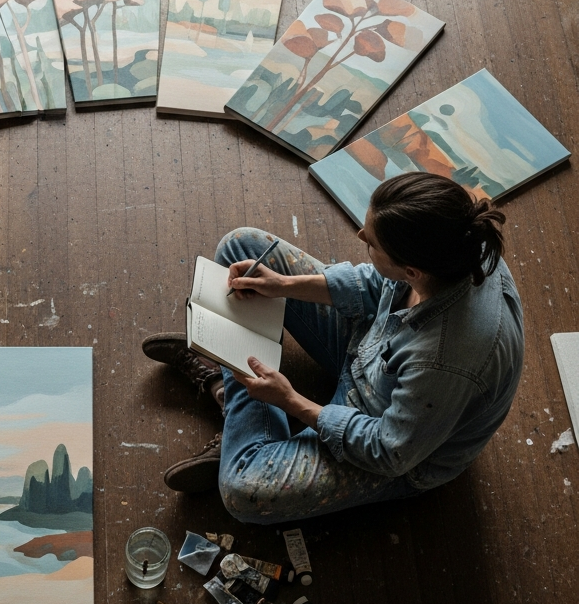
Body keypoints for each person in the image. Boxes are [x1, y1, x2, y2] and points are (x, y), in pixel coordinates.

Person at [142, 173, 524, 524]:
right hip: (374, 351)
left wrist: (291, 401)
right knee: (240, 247)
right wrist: (282, 285)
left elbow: (389, 451)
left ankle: (232, 396)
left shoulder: (444, 361)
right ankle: (242, 398)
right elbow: (378, 284)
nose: (360, 235)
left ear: (413, 271)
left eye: (371, 243)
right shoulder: (460, 241)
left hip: (390, 441)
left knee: (244, 488)